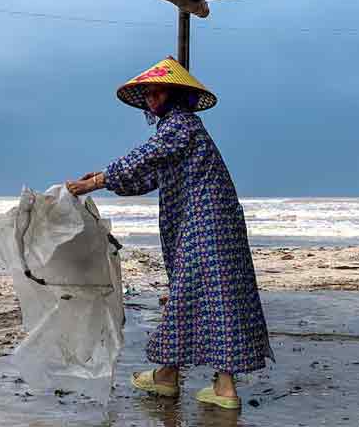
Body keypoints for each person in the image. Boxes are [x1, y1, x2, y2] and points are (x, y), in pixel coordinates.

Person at [66, 56, 274, 410]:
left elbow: (144, 158)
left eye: (156, 91)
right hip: (207, 220)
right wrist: (102, 179)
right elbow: (148, 176)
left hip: (206, 221)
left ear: (175, 94)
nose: (150, 98)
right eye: (147, 93)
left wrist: (97, 181)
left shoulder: (181, 126)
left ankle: (186, 380)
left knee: (193, 294)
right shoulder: (175, 131)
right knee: (212, 296)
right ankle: (200, 381)